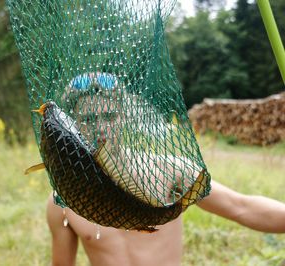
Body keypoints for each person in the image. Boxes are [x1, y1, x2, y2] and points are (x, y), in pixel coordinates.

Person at [47, 73, 285, 266]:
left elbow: (241, 207)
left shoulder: (169, 171)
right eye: (88, 119)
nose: (100, 127)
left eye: (109, 116)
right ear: (74, 123)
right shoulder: (64, 198)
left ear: (125, 117)